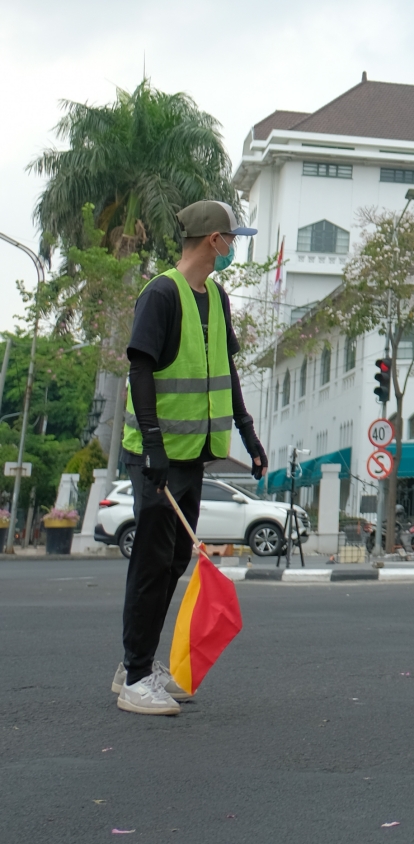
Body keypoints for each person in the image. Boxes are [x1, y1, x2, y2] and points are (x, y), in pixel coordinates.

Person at [113, 201, 267, 717]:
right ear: (213, 240)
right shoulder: (161, 293)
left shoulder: (216, 298)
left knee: (175, 559)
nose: (234, 247)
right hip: (155, 456)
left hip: (193, 454)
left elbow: (227, 370)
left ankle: (133, 665)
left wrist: (247, 433)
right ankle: (136, 677)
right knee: (152, 562)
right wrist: (153, 445)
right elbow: (140, 370)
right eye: (232, 238)